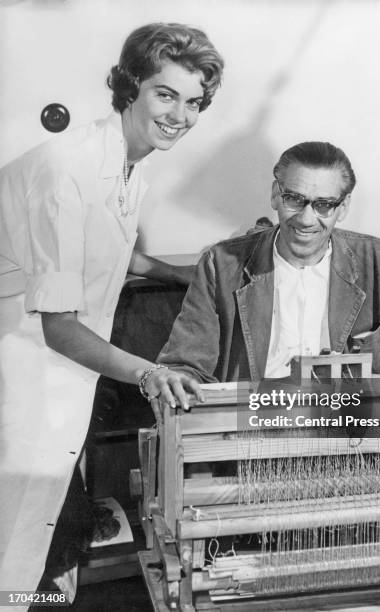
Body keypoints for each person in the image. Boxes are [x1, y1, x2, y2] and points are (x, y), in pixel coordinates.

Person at [0, 23, 222, 601]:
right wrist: (148, 373)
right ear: (131, 87)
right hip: (21, 358)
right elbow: (58, 326)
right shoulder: (64, 171)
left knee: (46, 535)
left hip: (58, 365)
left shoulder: (128, 161)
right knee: (15, 537)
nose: (180, 115)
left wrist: (171, 271)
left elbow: (99, 247)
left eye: (193, 101)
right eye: (165, 94)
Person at [148, 141, 380, 404]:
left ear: (343, 207)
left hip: (349, 438)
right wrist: (179, 384)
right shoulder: (221, 264)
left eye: (324, 205)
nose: (306, 218)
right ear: (276, 195)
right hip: (247, 437)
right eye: (294, 199)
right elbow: (185, 367)